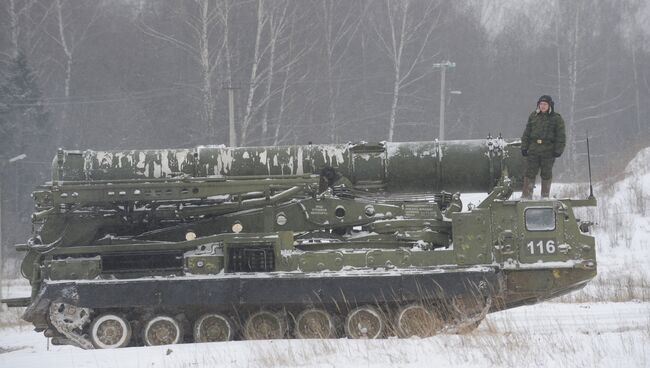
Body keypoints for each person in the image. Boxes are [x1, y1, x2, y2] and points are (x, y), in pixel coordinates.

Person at [520, 95, 566, 199]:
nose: (542, 106)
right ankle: (526, 196)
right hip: (534, 149)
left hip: (548, 150)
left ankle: (545, 197)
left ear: (549, 105)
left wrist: (558, 150)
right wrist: (524, 147)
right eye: (541, 104)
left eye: (545, 104)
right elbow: (527, 133)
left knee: (546, 173)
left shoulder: (556, 119)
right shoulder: (533, 116)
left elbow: (561, 136)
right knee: (530, 172)